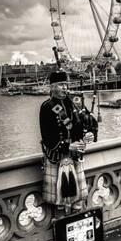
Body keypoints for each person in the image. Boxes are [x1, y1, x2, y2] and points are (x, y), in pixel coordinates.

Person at [40, 69, 98, 214]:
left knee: (78, 199)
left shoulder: (75, 103)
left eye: (66, 84)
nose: (65, 88)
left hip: (75, 155)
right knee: (58, 200)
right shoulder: (47, 107)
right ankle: (61, 225)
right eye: (61, 85)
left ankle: (77, 218)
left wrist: (90, 133)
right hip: (57, 156)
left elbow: (89, 121)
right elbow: (47, 136)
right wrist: (67, 146)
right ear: (52, 87)